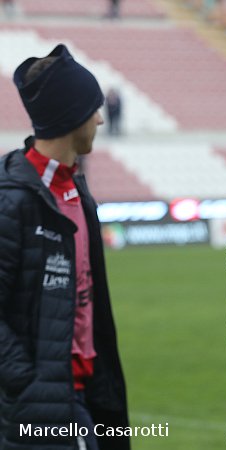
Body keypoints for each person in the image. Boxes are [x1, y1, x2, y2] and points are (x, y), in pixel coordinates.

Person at [0, 44, 129, 450]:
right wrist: (29, 380)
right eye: (92, 108)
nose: (99, 118)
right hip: (40, 408)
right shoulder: (12, 199)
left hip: (87, 395)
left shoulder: (76, 189)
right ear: (71, 116)